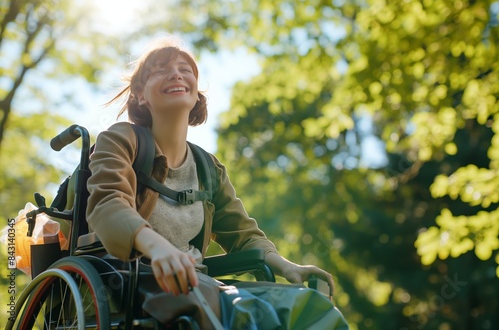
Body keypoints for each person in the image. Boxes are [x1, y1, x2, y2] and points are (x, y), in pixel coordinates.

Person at [86, 36, 348, 329]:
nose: (176, 74)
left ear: (196, 93)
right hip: (132, 282)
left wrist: (288, 266)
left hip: (202, 285)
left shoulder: (208, 167)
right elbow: (108, 205)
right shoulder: (120, 139)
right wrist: (159, 249)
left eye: (185, 69)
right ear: (140, 95)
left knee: (309, 306)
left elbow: (244, 235)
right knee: (242, 313)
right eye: (161, 70)